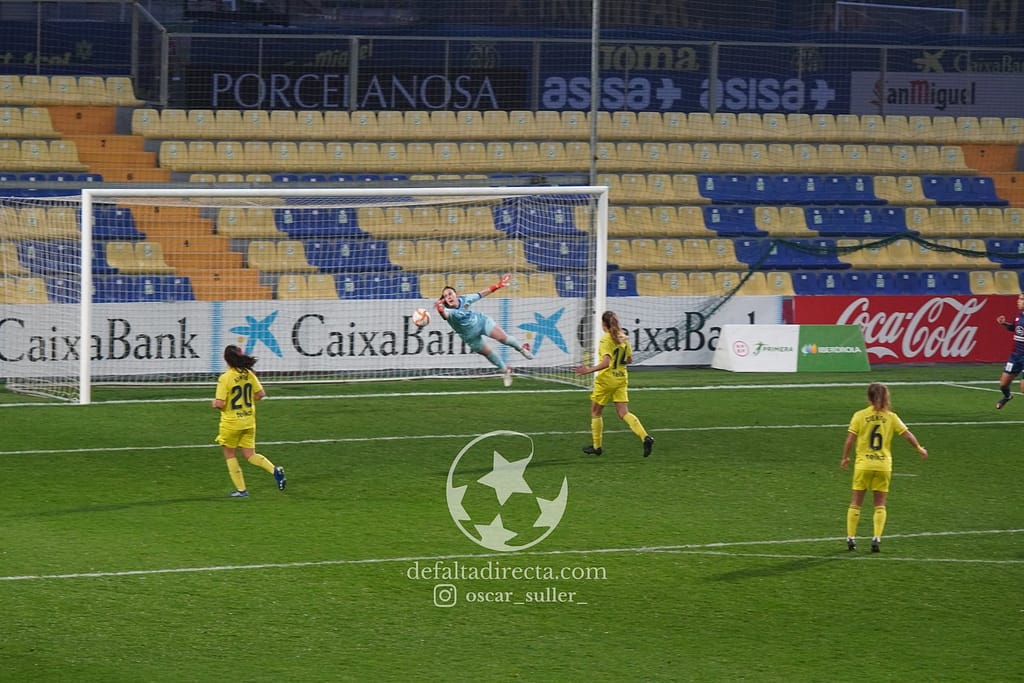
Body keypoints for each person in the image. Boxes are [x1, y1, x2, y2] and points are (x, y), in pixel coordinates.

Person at [840, 382, 927, 553]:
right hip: (883, 465)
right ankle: (876, 538)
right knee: (880, 505)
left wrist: (845, 457)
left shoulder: (859, 415)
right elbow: (907, 435)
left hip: (863, 465)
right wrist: (919, 449)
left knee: (856, 502)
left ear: (868, 398)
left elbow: (850, 439)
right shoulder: (891, 417)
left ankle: (851, 537)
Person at [574, 310, 654, 457]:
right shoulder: (623, 337)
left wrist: (587, 370)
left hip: (606, 380)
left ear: (603, 324)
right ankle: (645, 437)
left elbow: (606, 362)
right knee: (624, 412)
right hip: (621, 378)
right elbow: (629, 360)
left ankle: (597, 447)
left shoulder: (606, 340)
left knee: (595, 412)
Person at [212, 344, 286, 498]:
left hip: (231, 423)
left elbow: (220, 403)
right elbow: (260, 394)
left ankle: (241, 490)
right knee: (249, 454)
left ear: (226, 359)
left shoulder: (225, 378)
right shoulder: (249, 374)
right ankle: (275, 470)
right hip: (249, 421)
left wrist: (215, 404)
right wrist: (247, 403)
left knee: (229, 454)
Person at [434, 273, 533, 387]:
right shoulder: (448, 311)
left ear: (456, 294)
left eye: (450, 293)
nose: (449, 297)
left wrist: (499, 285)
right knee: (489, 354)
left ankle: (522, 349)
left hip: (481, 322)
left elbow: (482, 293)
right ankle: (505, 371)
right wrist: (440, 310)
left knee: (503, 338)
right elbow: (444, 315)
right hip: (470, 336)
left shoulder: (465, 299)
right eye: (446, 296)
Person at [995, 293, 1024, 409]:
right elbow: (1013, 328)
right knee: (1003, 384)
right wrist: (1004, 324)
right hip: (1015, 356)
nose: (1018, 301)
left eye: (1022, 299)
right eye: (1019, 299)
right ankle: (1007, 396)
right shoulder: (1019, 315)